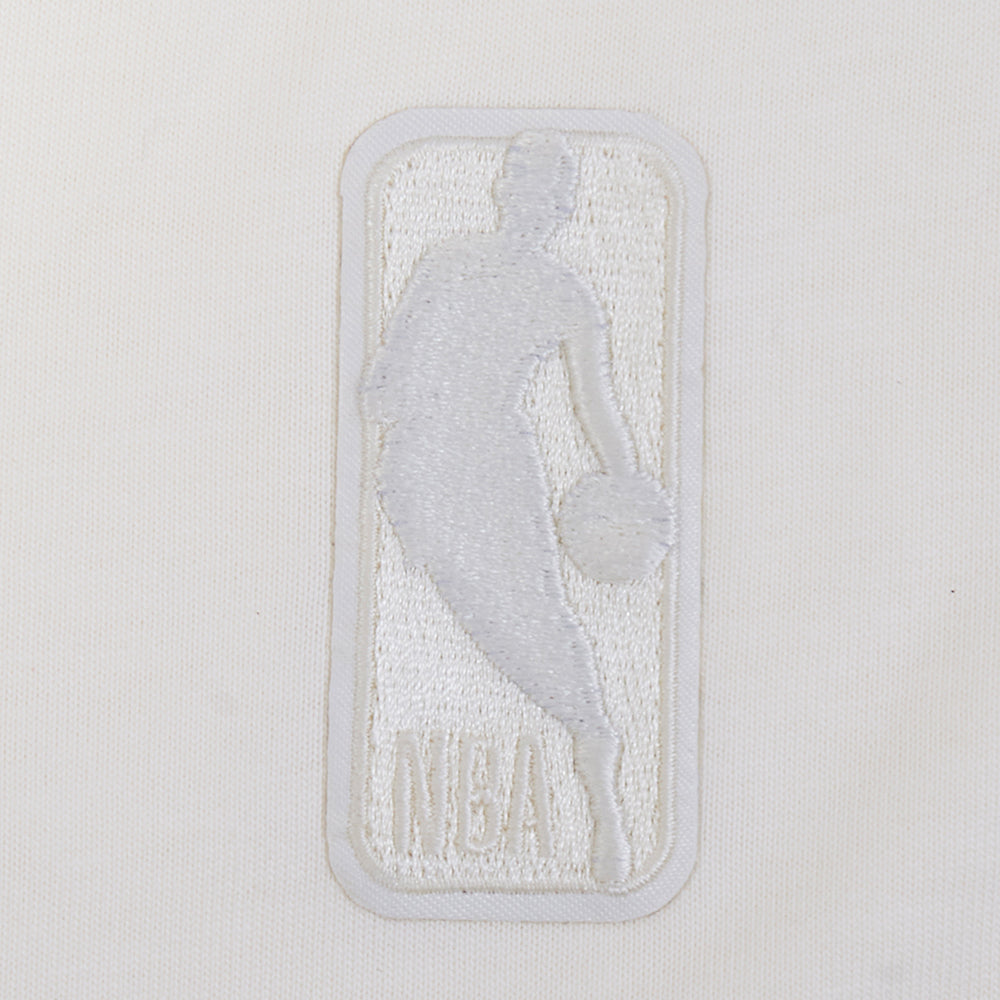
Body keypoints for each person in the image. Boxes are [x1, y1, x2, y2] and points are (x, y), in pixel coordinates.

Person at [363, 132, 641, 882]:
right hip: (422, 461)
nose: (529, 201)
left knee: (535, 615)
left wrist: (629, 489)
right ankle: (591, 752)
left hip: (492, 461)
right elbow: (387, 373)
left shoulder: (567, 296)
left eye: (545, 190)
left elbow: (595, 408)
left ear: (561, 207)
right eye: (520, 183)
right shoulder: (445, 262)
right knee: (484, 607)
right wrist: (391, 396)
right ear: (503, 192)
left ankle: (599, 777)